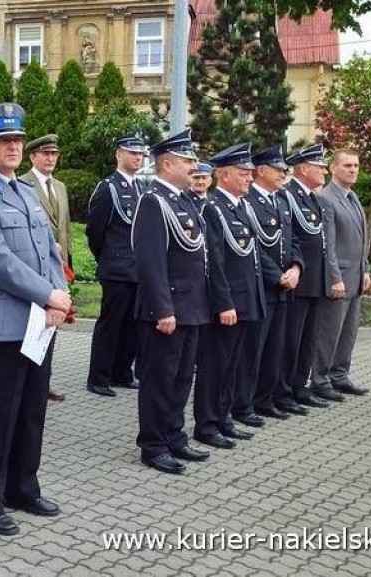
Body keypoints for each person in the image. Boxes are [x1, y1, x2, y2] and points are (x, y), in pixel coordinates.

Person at [0, 102, 71, 537]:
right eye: (2, 141)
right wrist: (48, 293)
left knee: (31, 410)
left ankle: (22, 487)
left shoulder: (25, 192)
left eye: (17, 140)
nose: (12, 147)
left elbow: (49, 251)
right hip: (2, 324)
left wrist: (54, 299)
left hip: (38, 321)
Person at [132, 128, 212, 475]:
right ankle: (153, 444)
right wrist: (162, 309)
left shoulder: (183, 200)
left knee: (181, 379)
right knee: (159, 380)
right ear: (166, 164)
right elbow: (150, 261)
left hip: (191, 307)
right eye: (187, 159)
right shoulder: (153, 201)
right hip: (166, 311)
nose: (194, 165)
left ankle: (174, 435)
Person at [193, 142, 266, 449]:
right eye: (243, 173)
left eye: (249, 173)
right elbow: (216, 261)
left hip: (246, 299)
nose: (249, 178)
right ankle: (207, 425)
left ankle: (223, 418)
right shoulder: (213, 208)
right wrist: (224, 303)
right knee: (215, 366)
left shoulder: (239, 206)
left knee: (233, 365)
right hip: (228, 303)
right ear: (223, 175)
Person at [243, 146, 307, 421]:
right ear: (261, 170)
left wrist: (295, 267)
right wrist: (277, 276)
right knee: (253, 350)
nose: (284, 173)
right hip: (263, 287)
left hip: (284, 287)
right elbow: (253, 247)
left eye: (284, 169)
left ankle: (265, 399)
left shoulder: (280, 200)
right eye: (279, 169)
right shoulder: (248, 201)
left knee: (274, 349)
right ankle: (244, 403)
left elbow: (292, 239)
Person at [84, 134, 148, 397]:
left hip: (138, 270)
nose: (137, 157)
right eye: (132, 153)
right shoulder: (108, 188)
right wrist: (107, 259)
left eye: (140, 154)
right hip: (117, 269)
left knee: (132, 326)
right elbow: (95, 232)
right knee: (110, 325)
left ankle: (122, 372)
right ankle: (99, 377)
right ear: (118, 155)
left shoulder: (141, 187)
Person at [312, 149, 371, 397]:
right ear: (333, 168)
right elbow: (329, 245)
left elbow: (361, 239)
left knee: (348, 331)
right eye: (347, 165)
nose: (353, 170)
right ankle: (320, 379)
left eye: (356, 165)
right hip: (338, 280)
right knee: (329, 332)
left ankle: (340, 374)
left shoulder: (352, 197)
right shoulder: (326, 198)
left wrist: (366, 269)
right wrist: (334, 277)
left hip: (356, 277)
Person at [281, 144, 335, 408]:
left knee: (308, 339)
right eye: (319, 166)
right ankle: (286, 388)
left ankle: (300, 386)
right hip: (299, 281)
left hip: (315, 281)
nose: (324, 170)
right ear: (303, 169)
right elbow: (290, 238)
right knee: (292, 339)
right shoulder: (288, 195)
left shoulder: (312, 197)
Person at [20, 133, 71, 402]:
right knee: (36, 322)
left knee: (53, 326)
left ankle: (45, 380)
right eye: (45, 154)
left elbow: (65, 227)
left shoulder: (60, 186)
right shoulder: (23, 184)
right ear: (32, 157)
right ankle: (34, 379)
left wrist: (68, 262)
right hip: (35, 267)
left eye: (54, 154)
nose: (51, 159)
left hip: (57, 267)